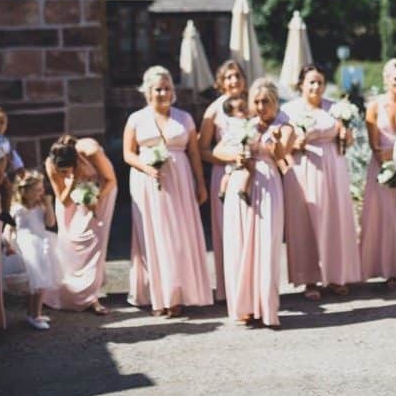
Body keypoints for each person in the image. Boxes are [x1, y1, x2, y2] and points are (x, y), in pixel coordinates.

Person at [124, 65, 213, 317]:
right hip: (147, 183)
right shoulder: (136, 119)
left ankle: (178, 295)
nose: (162, 93)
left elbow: (194, 154)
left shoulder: (184, 118)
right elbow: (128, 153)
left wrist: (201, 183)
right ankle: (158, 296)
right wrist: (146, 168)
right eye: (157, 89)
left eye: (167, 88)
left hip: (180, 181)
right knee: (153, 236)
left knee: (179, 236)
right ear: (147, 91)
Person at [280, 64, 361, 300]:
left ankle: (336, 276)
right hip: (303, 168)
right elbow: (283, 146)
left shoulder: (335, 108)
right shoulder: (288, 110)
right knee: (306, 222)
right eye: (311, 82)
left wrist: (347, 135)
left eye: (320, 82)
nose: (316, 87)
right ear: (301, 85)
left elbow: (349, 141)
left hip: (333, 167)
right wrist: (298, 142)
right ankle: (309, 279)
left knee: (335, 221)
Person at [216, 78, 293, 326]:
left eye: (266, 102)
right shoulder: (244, 125)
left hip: (268, 184)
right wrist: (235, 155)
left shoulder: (285, 126)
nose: (261, 107)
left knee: (266, 245)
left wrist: (277, 142)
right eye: (257, 102)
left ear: (275, 103)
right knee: (241, 245)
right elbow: (217, 151)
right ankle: (245, 307)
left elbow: (282, 157)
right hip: (241, 184)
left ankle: (267, 307)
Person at [43, 134, 118, 314]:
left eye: (69, 170)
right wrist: (73, 180)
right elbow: (63, 200)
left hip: (101, 191)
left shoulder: (90, 151)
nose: (65, 174)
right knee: (69, 242)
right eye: (63, 172)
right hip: (70, 199)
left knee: (93, 243)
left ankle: (91, 297)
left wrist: (95, 198)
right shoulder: (51, 164)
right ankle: (68, 290)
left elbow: (111, 179)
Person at [359, 58, 396, 290]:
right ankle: (389, 270)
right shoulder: (374, 106)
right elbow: (375, 146)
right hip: (383, 169)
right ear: (386, 80)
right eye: (395, 79)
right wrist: (390, 157)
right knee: (387, 220)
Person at [198, 60, 248, 302]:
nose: (234, 81)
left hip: (251, 172)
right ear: (221, 82)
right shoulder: (213, 111)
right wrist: (227, 158)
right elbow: (202, 149)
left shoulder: (253, 104)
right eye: (228, 77)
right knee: (226, 232)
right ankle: (228, 288)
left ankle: (251, 285)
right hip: (224, 172)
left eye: (237, 75)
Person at [7, 170, 58, 330]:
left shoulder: (41, 206)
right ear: (25, 191)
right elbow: (9, 229)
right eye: (37, 190)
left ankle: (35, 312)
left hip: (42, 243)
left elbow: (50, 223)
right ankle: (33, 315)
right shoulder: (17, 208)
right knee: (35, 284)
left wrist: (49, 204)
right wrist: (8, 244)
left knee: (41, 282)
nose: (41, 192)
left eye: (42, 189)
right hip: (27, 245)